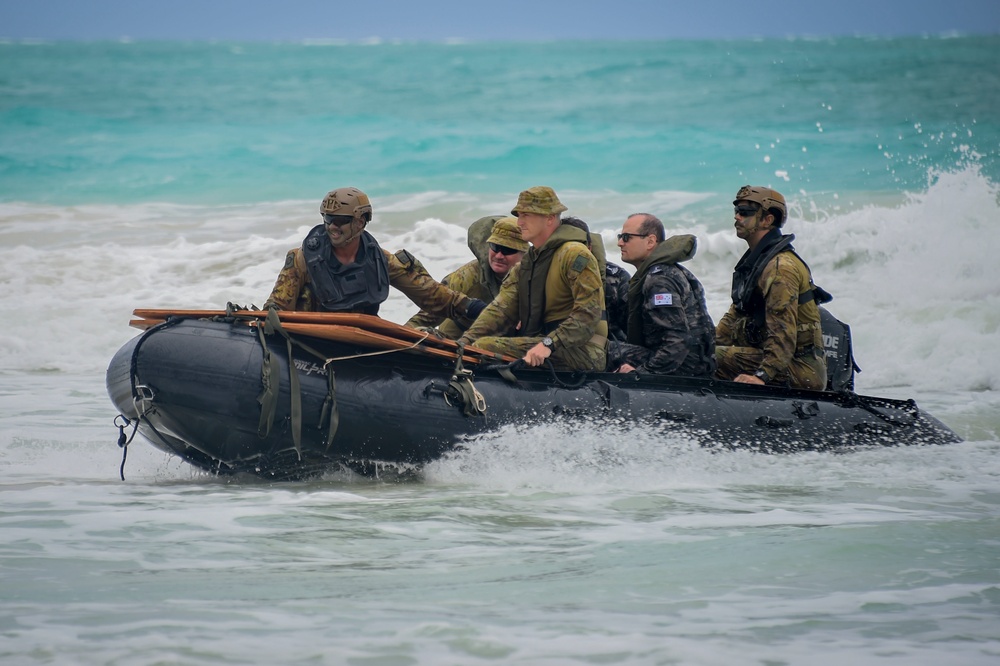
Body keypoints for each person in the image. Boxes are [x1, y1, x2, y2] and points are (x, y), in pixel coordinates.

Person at [263, 187, 486, 323]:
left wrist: (475, 308)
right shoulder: (302, 260)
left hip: (360, 342)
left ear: (360, 221)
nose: (332, 227)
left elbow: (431, 295)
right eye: (327, 219)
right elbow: (277, 308)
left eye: (340, 220)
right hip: (310, 341)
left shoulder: (380, 260)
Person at [457, 186, 608, 372]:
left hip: (584, 350)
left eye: (527, 215)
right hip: (545, 343)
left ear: (550, 218)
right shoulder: (528, 263)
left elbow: (587, 315)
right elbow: (500, 311)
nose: (519, 222)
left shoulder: (575, 255)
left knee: (485, 347)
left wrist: (548, 344)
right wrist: (465, 342)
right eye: (519, 216)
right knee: (476, 344)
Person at [715, 185, 828, 389]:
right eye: (736, 211)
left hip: (800, 369)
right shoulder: (756, 263)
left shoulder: (780, 269)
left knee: (712, 359)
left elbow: (782, 333)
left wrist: (761, 376)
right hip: (776, 360)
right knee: (703, 353)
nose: (737, 218)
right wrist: (700, 344)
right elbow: (733, 319)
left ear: (768, 219)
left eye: (745, 213)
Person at [605, 214, 717, 376]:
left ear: (650, 241)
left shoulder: (659, 280)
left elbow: (678, 341)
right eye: (620, 236)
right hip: (695, 361)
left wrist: (642, 373)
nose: (619, 242)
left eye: (626, 237)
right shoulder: (666, 271)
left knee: (603, 350)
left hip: (685, 368)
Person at [404, 216, 528, 338]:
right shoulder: (468, 276)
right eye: (495, 247)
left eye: (507, 250)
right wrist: (403, 336)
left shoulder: (535, 277)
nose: (499, 256)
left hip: (505, 339)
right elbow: (430, 312)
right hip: (459, 332)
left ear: (524, 253)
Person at [560, 216, 630, 342]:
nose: (572, 252)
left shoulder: (616, 278)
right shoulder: (544, 276)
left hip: (607, 348)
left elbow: (631, 329)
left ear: (589, 247)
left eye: (578, 245)